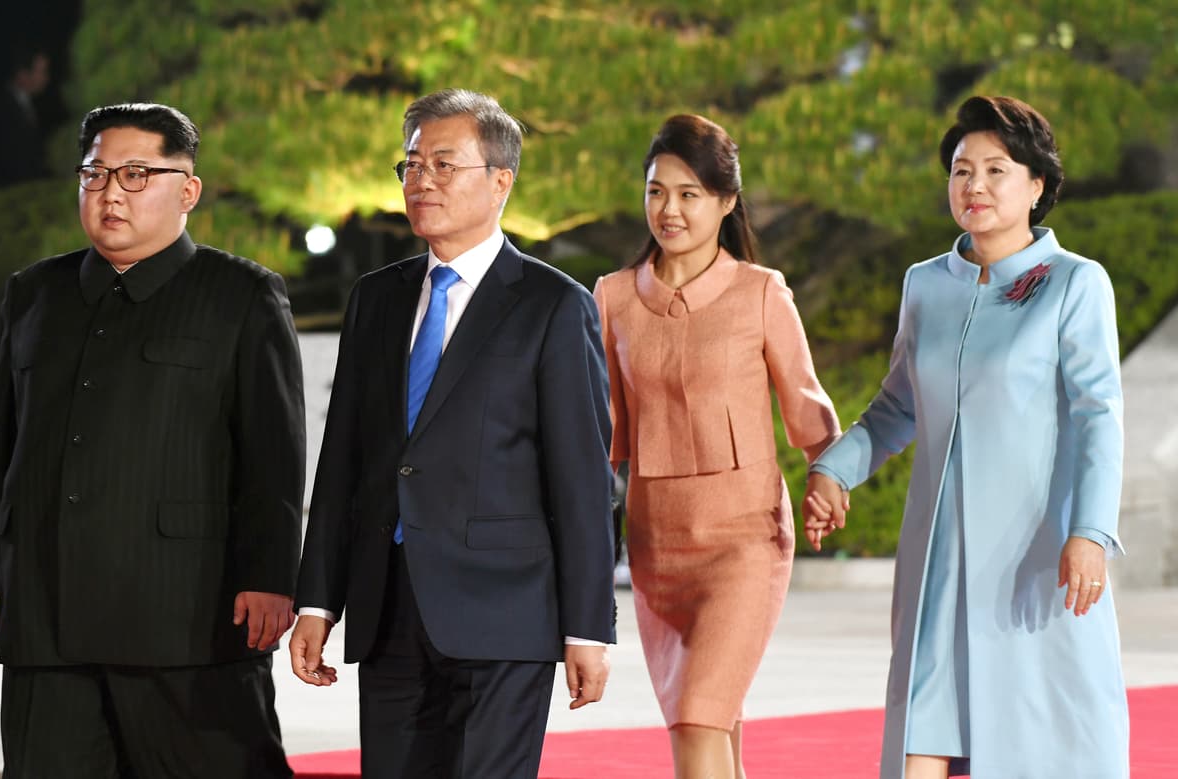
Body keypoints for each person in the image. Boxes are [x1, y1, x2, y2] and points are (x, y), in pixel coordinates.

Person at [0, 102, 305, 779]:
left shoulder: (241, 294)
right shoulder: (34, 293)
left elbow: (274, 457)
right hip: (48, 619)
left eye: (136, 174)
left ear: (187, 190)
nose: (110, 192)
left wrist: (270, 576)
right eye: (95, 173)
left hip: (185, 619)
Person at [289, 88, 617, 779]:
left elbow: (582, 481)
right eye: (410, 165)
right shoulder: (376, 298)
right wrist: (318, 599)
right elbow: (342, 458)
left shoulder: (553, 306)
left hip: (504, 612)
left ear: (502, 181)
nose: (421, 181)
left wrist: (588, 625)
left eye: (443, 164)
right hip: (387, 607)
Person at [803, 96, 1129, 779]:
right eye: (960, 170)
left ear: (1036, 185)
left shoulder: (1075, 285)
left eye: (995, 170)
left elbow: (1100, 414)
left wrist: (1091, 532)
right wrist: (834, 470)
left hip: (1034, 564)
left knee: (1037, 743)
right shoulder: (926, 285)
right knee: (921, 737)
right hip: (938, 569)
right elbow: (896, 409)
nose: (974, 185)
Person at [592, 114, 841, 779]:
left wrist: (829, 477)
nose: (668, 209)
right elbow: (601, 437)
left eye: (689, 193)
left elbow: (809, 411)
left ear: (727, 201)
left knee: (698, 716)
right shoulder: (612, 298)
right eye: (656, 191)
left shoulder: (762, 293)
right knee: (714, 719)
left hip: (744, 543)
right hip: (657, 551)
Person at [0, 43, 51, 190]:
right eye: (42, 72)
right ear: (23, 74)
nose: (46, 78)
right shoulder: (3, 109)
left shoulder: (27, 105)